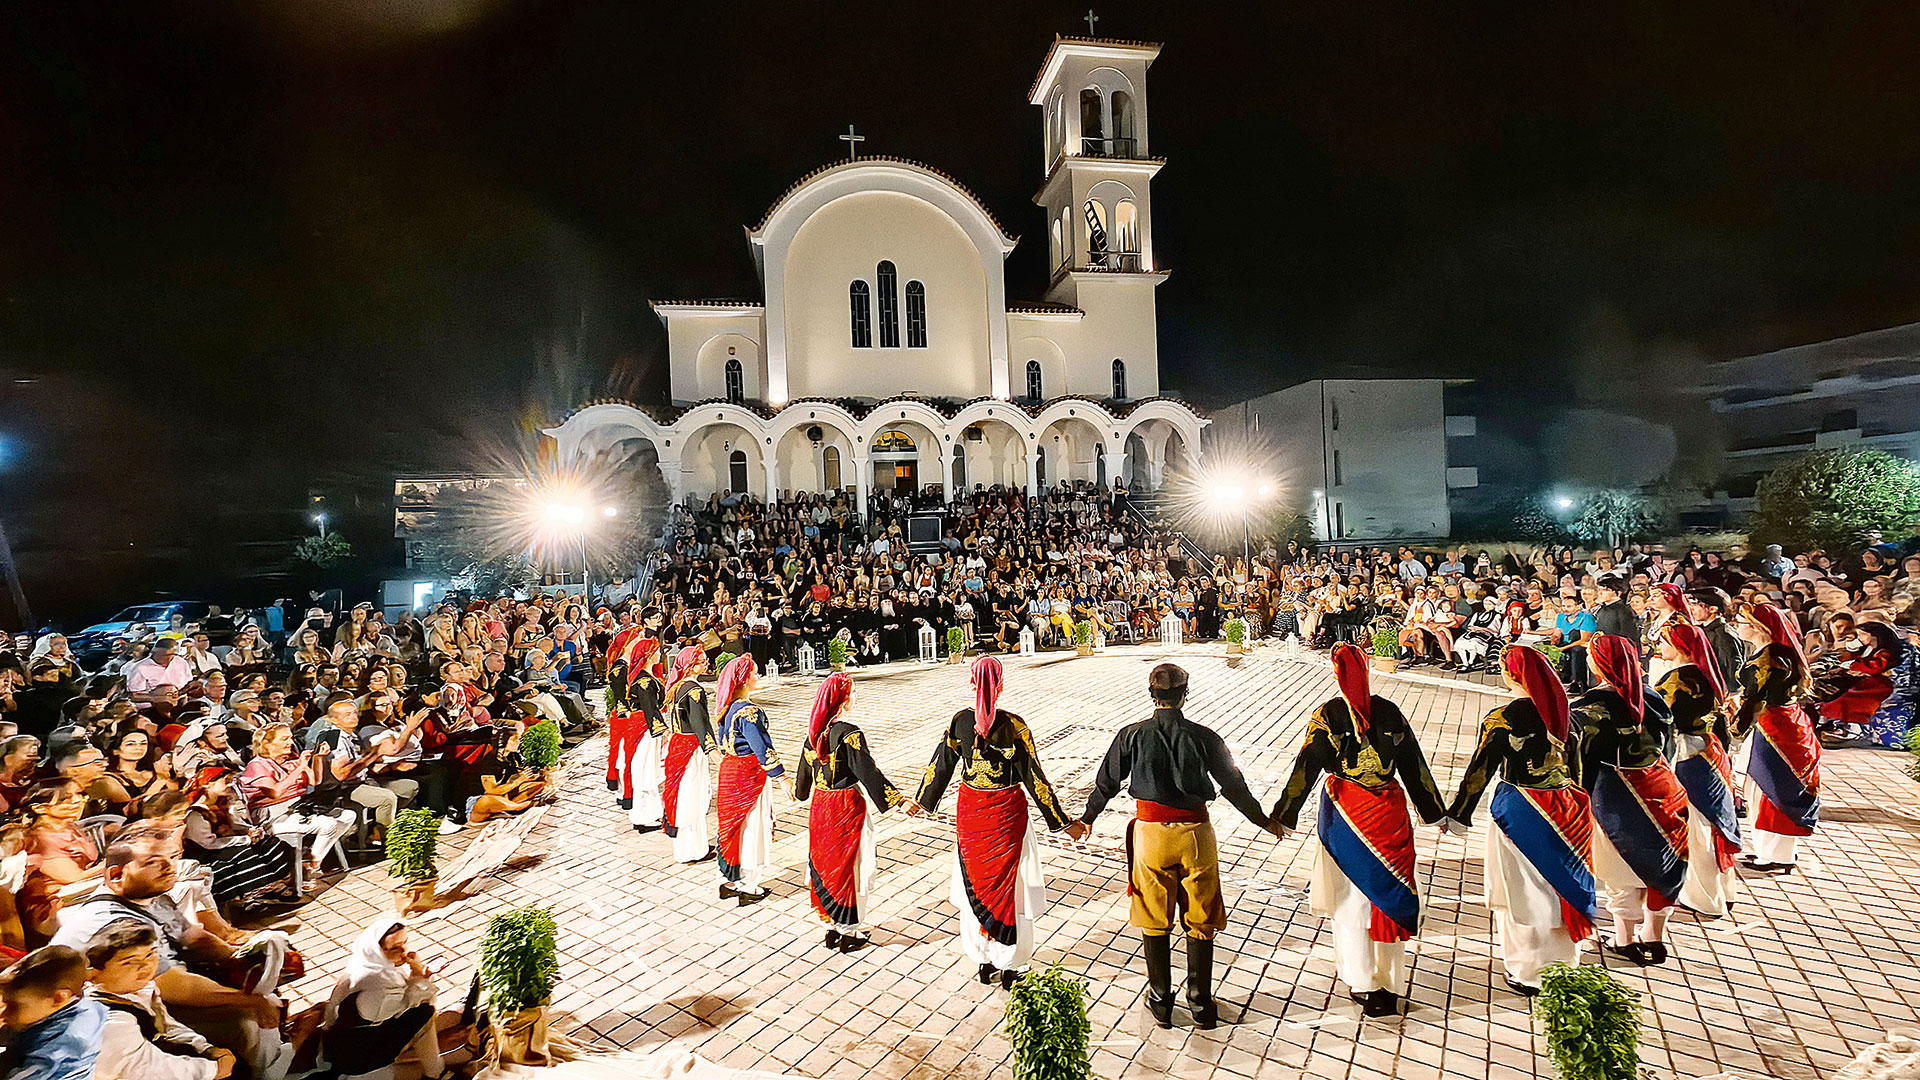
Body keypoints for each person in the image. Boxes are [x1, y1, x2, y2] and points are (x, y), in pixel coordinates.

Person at [1077, 663, 1277, 1028]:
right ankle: (1201, 1003)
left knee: (1154, 917)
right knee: (1200, 918)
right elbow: (1233, 785)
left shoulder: (1131, 735)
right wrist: (1262, 820)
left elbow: (1106, 783)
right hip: (1196, 835)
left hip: (1151, 835)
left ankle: (1161, 1000)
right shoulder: (1204, 737)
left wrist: (1087, 819)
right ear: (1186, 693)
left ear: (1151, 694)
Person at [1270, 645, 1449, 1017]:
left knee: (1351, 903)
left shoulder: (1327, 715)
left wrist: (1284, 814)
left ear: (1337, 675)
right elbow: (1414, 766)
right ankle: (1392, 982)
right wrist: (1434, 812)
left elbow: (1307, 765)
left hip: (1346, 813)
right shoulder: (1390, 712)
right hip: (1389, 814)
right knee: (1390, 894)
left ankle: (1363, 982)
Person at [905, 656, 1076, 988]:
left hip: (971, 813)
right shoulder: (1015, 725)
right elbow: (1035, 779)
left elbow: (939, 768)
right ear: (1000, 685)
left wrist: (921, 802)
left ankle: (983, 958)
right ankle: (1012, 963)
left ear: (971, 683)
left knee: (975, 878)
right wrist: (1062, 822)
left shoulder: (959, 723)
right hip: (1007, 814)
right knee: (1013, 885)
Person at [1449, 645, 1598, 996]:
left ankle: (1528, 970)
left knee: (1522, 889)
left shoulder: (1504, 717)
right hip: (1568, 808)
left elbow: (1479, 771)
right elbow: (1580, 770)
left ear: (1511, 674)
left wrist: (1457, 814)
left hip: (1522, 808)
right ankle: (1565, 962)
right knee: (1562, 884)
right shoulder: (1569, 714)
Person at [1572, 635, 1688, 966]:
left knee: (1622, 867)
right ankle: (1654, 938)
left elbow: (1581, 764)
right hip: (1664, 788)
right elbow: (1668, 747)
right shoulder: (1653, 697)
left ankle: (1624, 940)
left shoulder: (1588, 708)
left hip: (1616, 795)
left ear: (1599, 665)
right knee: (1666, 863)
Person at [793, 672, 902, 954]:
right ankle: (849, 930)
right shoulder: (849, 733)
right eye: (852, 692)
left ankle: (831, 926)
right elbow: (868, 771)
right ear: (842, 699)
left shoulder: (813, 733)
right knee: (851, 865)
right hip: (845, 806)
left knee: (826, 862)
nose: (856, 697)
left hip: (820, 805)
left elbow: (803, 779)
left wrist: (800, 792)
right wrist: (898, 801)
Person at [1656, 625, 1742, 919]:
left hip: (1686, 753)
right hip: (1708, 749)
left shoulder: (1677, 679)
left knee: (1696, 826)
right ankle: (1722, 890)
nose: (1660, 646)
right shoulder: (1707, 674)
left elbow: (1660, 720)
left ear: (1680, 647)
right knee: (1713, 820)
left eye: (1664, 641)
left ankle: (1702, 896)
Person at [85, 920, 235, 1080]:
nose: (145, 966)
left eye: (150, 954)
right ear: (94, 974)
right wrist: (213, 1069)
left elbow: (165, 1025)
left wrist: (205, 1048)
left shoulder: (139, 988)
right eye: (128, 962)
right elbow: (146, 1068)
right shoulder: (108, 1020)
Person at [1735, 603, 1822, 873]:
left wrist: (1735, 726)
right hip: (1776, 724)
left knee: (1771, 789)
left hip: (1776, 729)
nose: (1737, 625)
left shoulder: (1770, 658)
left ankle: (1779, 855)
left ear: (1759, 627)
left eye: (1742, 621)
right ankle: (1768, 851)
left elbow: (1755, 698)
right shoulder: (1771, 653)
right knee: (1759, 788)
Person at [321, 918, 460, 1080]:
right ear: (378, 950)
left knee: (420, 1015)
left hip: (338, 1045)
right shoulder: (378, 983)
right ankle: (435, 1072)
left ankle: (434, 1067)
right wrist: (420, 975)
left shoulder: (364, 964)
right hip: (357, 1061)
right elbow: (421, 1002)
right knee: (424, 1015)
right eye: (394, 948)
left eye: (405, 942)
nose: (403, 951)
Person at [712, 656, 783, 905]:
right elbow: (763, 749)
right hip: (749, 774)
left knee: (734, 826)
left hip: (730, 771)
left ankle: (732, 879)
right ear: (743, 679)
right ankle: (749, 885)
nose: (758, 677)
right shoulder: (750, 712)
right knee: (754, 824)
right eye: (754, 673)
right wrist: (782, 777)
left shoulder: (727, 708)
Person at [0, 945, 107, 1080]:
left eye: (13, 1005)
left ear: (58, 998)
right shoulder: (72, 1001)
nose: (3, 1013)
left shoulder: (62, 1048)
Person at [660, 646, 717, 863]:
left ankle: (694, 845)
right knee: (693, 796)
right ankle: (692, 850)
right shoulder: (694, 689)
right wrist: (713, 752)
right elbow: (700, 724)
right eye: (701, 661)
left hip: (677, 745)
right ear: (690, 665)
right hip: (690, 748)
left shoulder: (676, 687)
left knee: (682, 794)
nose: (706, 664)